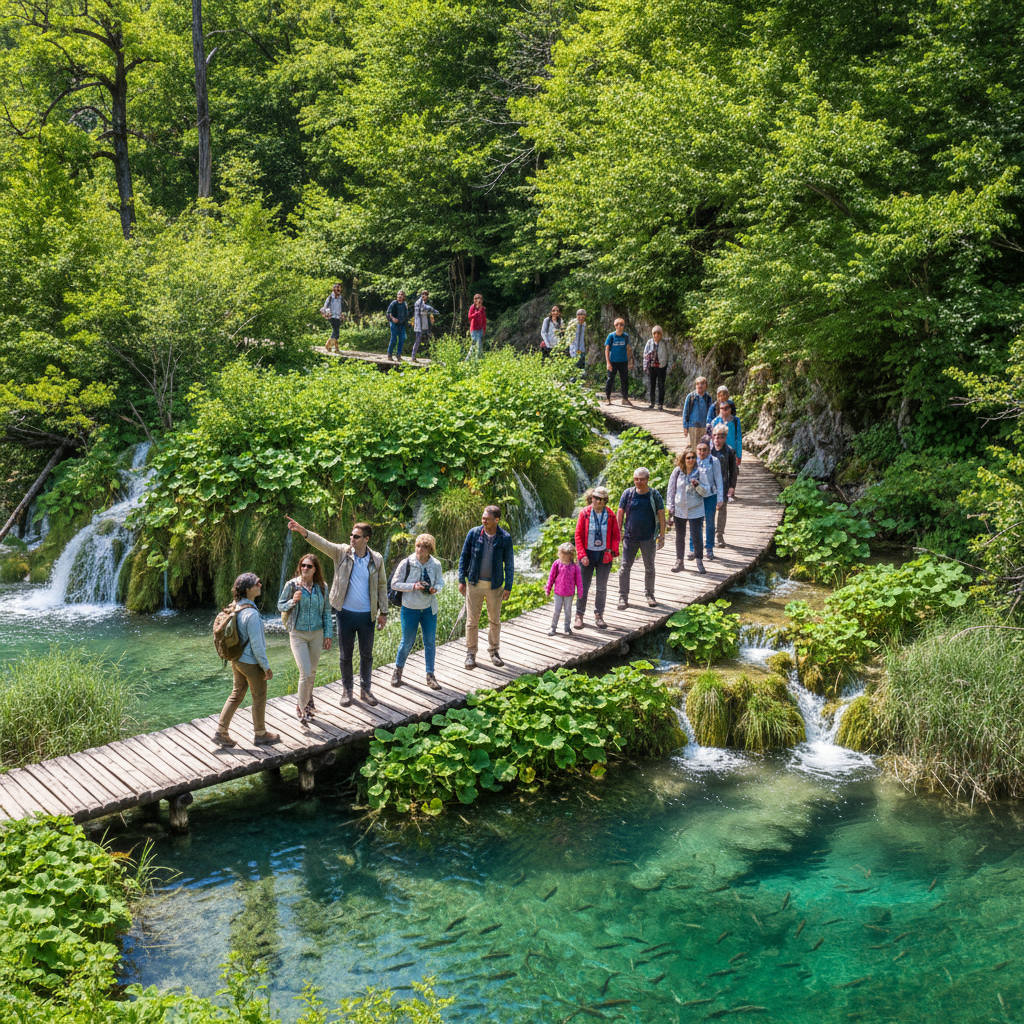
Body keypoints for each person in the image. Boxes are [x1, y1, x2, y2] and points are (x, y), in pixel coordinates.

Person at [284, 516, 388, 707]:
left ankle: (366, 691)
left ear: (366, 539)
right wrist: (303, 530)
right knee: (345, 655)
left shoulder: (377, 559)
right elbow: (322, 543)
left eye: (356, 536)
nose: (352, 538)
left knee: (366, 655)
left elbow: (382, 585)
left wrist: (384, 612)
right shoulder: (341, 552)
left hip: (367, 615)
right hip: (345, 613)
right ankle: (347, 691)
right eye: (351, 535)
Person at [215, 573, 280, 747]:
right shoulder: (251, 614)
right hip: (250, 662)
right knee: (259, 696)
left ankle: (221, 731)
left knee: (237, 693)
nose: (261, 584)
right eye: (257, 583)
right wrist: (266, 667)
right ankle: (261, 734)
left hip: (236, 658)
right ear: (248, 589)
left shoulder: (235, 606)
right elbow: (257, 646)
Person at [278, 554, 333, 723]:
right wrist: (292, 602)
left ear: (315, 569)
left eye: (309, 566)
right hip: (298, 634)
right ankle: (301, 708)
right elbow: (280, 604)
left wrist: (328, 635)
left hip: (316, 634)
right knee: (305, 673)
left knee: (313, 673)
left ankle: (306, 704)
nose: (305, 569)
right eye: (303, 565)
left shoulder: (322, 586)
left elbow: (326, 611)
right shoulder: (292, 585)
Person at [458, 505, 514, 669]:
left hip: (494, 586)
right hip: (474, 583)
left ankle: (494, 652)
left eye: (487, 519)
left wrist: (508, 586)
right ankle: (470, 654)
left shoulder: (505, 538)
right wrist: (462, 580)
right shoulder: (474, 533)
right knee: (471, 621)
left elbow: (509, 564)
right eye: (483, 518)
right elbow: (464, 556)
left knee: (494, 621)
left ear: (496, 520)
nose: (483, 521)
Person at [390, 533, 444, 691]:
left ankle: (430, 675)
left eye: (424, 547)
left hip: (429, 609)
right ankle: (397, 672)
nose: (420, 549)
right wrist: (413, 586)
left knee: (430, 642)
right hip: (410, 608)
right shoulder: (406, 562)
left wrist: (436, 589)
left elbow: (440, 581)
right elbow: (394, 584)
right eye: (418, 545)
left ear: (430, 549)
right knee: (407, 642)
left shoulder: (436, 564)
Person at [616, 468, 666, 609]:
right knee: (625, 567)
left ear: (647, 479)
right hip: (630, 537)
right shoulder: (628, 493)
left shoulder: (654, 494)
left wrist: (662, 535)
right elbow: (620, 513)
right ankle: (623, 597)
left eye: (642, 479)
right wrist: (618, 532)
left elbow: (661, 514)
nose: (639, 481)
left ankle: (650, 595)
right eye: (636, 479)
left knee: (649, 567)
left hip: (648, 538)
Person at [574, 485, 620, 630]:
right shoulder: (584, 513)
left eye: (601, 499)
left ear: (605, 501)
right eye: (595, 498)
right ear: (591, 498)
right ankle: (579, 615)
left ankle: (599, 615)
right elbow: (578, 535)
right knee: (583, 586)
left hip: (603, 555)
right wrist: (581, 555)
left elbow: (616, 536)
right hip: (587, 554)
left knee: (601, 587)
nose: (597, 501)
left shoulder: (610, 515)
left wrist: (610, 551)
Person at [667, 449, 709, 574]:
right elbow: (671, 489)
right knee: (680, 536)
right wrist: (670, 506)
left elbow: (706, 492)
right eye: (688, 458)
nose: (691, 460)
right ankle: (679, 561)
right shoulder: (677, 472)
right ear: (683, 459)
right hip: (680, 509)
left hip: (696, 508)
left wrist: (697, 486)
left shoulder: (700, 472)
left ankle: (699, 561)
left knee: (697, 535)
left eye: (693, 457)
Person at [691, 439, 725, 561]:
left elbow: (719, 480)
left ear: (709, 450)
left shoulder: (714, 461)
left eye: (704, 450)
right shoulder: (693, 461)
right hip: (696, 495)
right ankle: (693, 549)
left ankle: (709, 548)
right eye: (699, 449)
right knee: (695, 522)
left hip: (711, 495)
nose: (702, 452)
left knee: (710, 522)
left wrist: (720, 499)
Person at [709, 424, 738, 547]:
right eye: (715, 436)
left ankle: (719, 535)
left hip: (724, 485)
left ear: (725, 438)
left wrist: (732, 486)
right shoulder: (708, 450)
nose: (717, 439)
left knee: (722, 510)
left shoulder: (729, 451)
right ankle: (709, 536)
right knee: (710, 511)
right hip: (709, 486)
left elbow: (734, 470)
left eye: (720, 437)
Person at [546, 542, 582, 636]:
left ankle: (567, 628)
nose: (565, 556)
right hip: (558, 592)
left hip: (569, 593)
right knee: (556, 610)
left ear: (571, 555)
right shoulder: (557, 564)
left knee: (568, 611)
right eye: (563, 554)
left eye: (567, 554)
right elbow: (551, 577)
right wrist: (548, 589)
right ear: (560, 554)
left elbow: (579, 581)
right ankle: (553, 628)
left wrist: (580, 592)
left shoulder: (574, 566)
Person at [604, 318, 633, 406]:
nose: (619, 326)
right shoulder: (611, 336)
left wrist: (630, 360)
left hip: (623, 361)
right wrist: (608, 362)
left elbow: (628, 348)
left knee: (624, 380)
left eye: (621, 324)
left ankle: (625, 399)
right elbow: (607, 349)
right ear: (615, 326)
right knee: (610, 379)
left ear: (623, 326)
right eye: (617, 324)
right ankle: (608, 398)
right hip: (613, 361)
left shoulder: (625, 336)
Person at [682, 376, 714, 449]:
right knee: (694, 448)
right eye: (697, 384)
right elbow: (685, 413)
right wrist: (685, 427)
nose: (700, 386)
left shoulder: (708, 398)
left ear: (706, 385)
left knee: (703, 447)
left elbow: (710, 414)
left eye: (702, 383)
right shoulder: (690, 397)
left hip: (704, 427)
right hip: (692, 426)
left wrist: (710, 427)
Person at [710, 399, 743, 466]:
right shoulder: (714, 421)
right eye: (722, 408)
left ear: (731, 409)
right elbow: (711, 438)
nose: (724, 410)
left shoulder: (735, 421)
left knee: (732, 472)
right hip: (718, 451)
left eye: (726, 408)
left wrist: (739, 455)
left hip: (732, 451)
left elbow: (738, 439)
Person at [643, 326, 669, 410]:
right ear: (652, 334)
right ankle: (652, 403)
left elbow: (669, 355)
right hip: (652, 366)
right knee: (652, 385)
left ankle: (660, 404)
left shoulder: (664, 343)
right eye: (654, 333)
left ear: (661, 334)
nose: (656, 335)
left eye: (658, 333)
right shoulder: (649, 342)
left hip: (662, 366)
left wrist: (669, 366)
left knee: (661, 385)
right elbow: (645, 354)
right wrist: (645, 366)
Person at [411, 290, 439, 363]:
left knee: (429, 339)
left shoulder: (423, 302)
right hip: (419, 325)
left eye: (426, 295)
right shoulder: (418, 302)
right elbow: (425, 308)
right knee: (418, 340)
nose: (425, 296)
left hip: (424, 325)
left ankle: (433, 356)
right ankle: (413, 356)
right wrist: (434, 311)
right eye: (424, 294)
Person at [320, 283, 347, 354]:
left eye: (339, 288)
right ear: (333, 289)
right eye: (336, 288)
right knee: (336, 330)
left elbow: (343, 307)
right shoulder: (330, 297)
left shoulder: (341, 298)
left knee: (336, 331)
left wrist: (343, 314)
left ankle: (329, 345)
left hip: (338, 316)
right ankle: (335, 347)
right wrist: (327, 313)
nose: (338, 289)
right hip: (332, 316)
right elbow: (325, 306)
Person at [386, 290, 410, 361]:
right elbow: (388, 312)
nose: (399, 296)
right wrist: (393, 318)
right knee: (394, 338)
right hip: (393, 322)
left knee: (402, 339)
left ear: (404, 297)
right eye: (398, 294)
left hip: (401, 323)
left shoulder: (404, 304)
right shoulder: (394, 303)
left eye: (401, 295)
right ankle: (389, 354)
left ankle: (398, 355)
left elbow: (406, 314)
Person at [467, 293, 487, 357]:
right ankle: (469, 360)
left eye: (480, 301)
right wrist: (477, 313)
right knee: (475, 345)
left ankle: (478, 360)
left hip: (480, 329)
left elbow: (484, 320)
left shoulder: (483, 309)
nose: (479, 302)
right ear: (475, 301)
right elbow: (469, 317)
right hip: (474, 329)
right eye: (478, 301)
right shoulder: (472, 307)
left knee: (479, 345)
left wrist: (484, 329)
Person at [569, 308, 587, 374]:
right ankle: (573, 378)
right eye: (579, 315)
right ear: (576, 316)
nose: (581, 317)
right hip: (574, 348)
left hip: (582, 348)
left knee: (581, 365)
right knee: (574, 364)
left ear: (585, 316)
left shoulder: (585, 324)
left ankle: (581, 379)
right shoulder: (573, 324)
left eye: (583, 315)